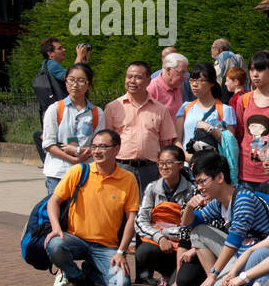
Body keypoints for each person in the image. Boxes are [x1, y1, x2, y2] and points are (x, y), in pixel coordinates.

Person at [178, 151, 269, 286]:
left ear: (220, 177)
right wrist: (189, 207)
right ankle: (214, 283)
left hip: (257, 257)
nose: (199, 187)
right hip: (239, 255)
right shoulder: (218, 202)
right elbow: (189, 224)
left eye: (202, 181)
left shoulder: (243, 199)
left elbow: (233, 241)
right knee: (198, 232)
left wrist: (214, 276)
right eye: (196, 183)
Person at [45, 128, 139, 286]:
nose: (96, 151)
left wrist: (121, 252)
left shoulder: (128, 179)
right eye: (94, 146)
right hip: (76, 239)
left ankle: (90, 272)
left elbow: (131, 218)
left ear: (116, 149)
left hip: (106, 246)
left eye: (102, 147)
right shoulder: (79, 171)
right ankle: (76, 277)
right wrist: (56, 229)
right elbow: (53, 201)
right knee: (55, 245)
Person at [104, 62, 178, 192]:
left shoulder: (160, 109)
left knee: (147, 209)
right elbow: (106, 142)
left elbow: (166, 143)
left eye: (138, 77)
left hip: (150, 170)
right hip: (121, 167)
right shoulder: (113, 107)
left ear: (148, 81)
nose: (132, 81)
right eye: (129, 77)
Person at [133, 143, 195, 286]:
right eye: (161, 163)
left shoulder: (191, 190)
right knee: (144, 252)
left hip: (183, 245)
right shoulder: (152, 188)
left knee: (181, 285)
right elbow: (141, 221)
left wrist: (163, 232)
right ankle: (166, 273)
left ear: (180, 165)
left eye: (169, 163)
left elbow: (190, 227)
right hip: (160, 244)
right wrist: (159, 238)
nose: (164, 167)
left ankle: (174, 275)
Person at [232, 51, 269, 192]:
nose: (255, 75)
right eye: (252, 70)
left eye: (260, 69)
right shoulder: (244, 100)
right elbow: (240, 133)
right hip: (245, 171)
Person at [41, 64, 103, 196]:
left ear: (88, 85)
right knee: (57, 212)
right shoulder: (55, 109)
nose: (75, 85)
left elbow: (100, 146)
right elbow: (48, 144)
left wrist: (79, 152)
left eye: (81, 81)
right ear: (66, 82)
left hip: (86, 173)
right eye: (71, 80)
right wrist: (72, 159)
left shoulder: (97, 113)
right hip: (58, 172)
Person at [177, 63, 237, 153]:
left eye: (200, 80)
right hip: (188, 164)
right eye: (192, 80)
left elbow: (230, 144)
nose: (194, 84)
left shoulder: (225, 110)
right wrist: (188, 157)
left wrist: (210, 129)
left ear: (212, 83)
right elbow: (177, 140)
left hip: (212, 164)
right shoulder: (185, 107)